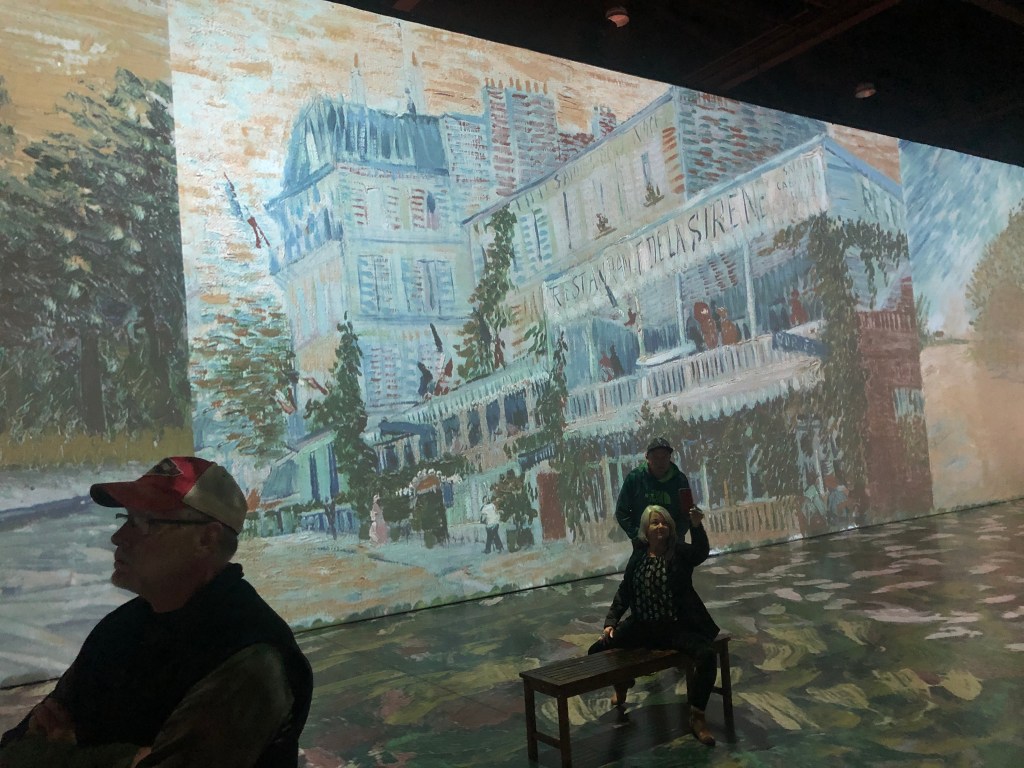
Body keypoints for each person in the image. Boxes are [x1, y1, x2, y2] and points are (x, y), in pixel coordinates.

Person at [0, 457, 313, 768]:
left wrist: (54, 754)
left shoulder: (251, 658)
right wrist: (126, 759)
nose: (118, 537)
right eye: (126, 518)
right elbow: (15, 747)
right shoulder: (121, 628)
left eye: (144, 523)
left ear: (206, 539)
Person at [589, 504, 720, 746]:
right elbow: (625, 590)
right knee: (598, 649)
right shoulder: (639, 554)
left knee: (707, 655)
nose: (660, 526)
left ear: (670, 528)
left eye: (664, 522)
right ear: (645, 530)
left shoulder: (678, 552)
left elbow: (700, 552)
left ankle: (697, 716)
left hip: (675, 627)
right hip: (642, 626)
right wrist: (611, 622)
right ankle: (622, 682)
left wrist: (696, 526)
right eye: (654, 522)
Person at [615, 437, 694, 543]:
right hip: (644, 544)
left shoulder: (680, 480)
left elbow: (687, 513)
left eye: (664, 457)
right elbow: (621, 512)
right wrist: (637, 534)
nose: (660, 462)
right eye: (655, 457)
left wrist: (675, 535)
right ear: (647, 457)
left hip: (673, 544)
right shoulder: (635, 478)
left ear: (670, 457)